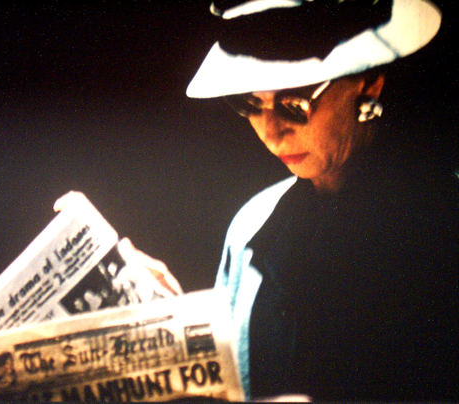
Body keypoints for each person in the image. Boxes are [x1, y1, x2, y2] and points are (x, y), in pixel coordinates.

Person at [184, 0, 459, 401]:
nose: (273, 133)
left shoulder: (441, 228)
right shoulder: (250, 230)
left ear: (368, 85)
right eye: (247, 103)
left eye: (295, 104)